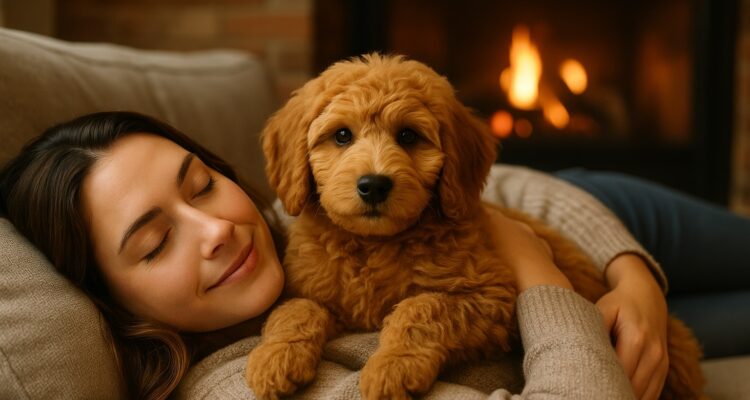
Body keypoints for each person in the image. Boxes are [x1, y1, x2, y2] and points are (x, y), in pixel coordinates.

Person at [0, 111, 676, 400]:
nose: (217, 229)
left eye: (203, 183)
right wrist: (534, 270)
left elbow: (502, 186)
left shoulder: (286, 218)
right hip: (562, 305)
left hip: (607, 219)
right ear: (115, 303)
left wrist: (631, 272)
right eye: (155, 243)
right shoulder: (240, 386)